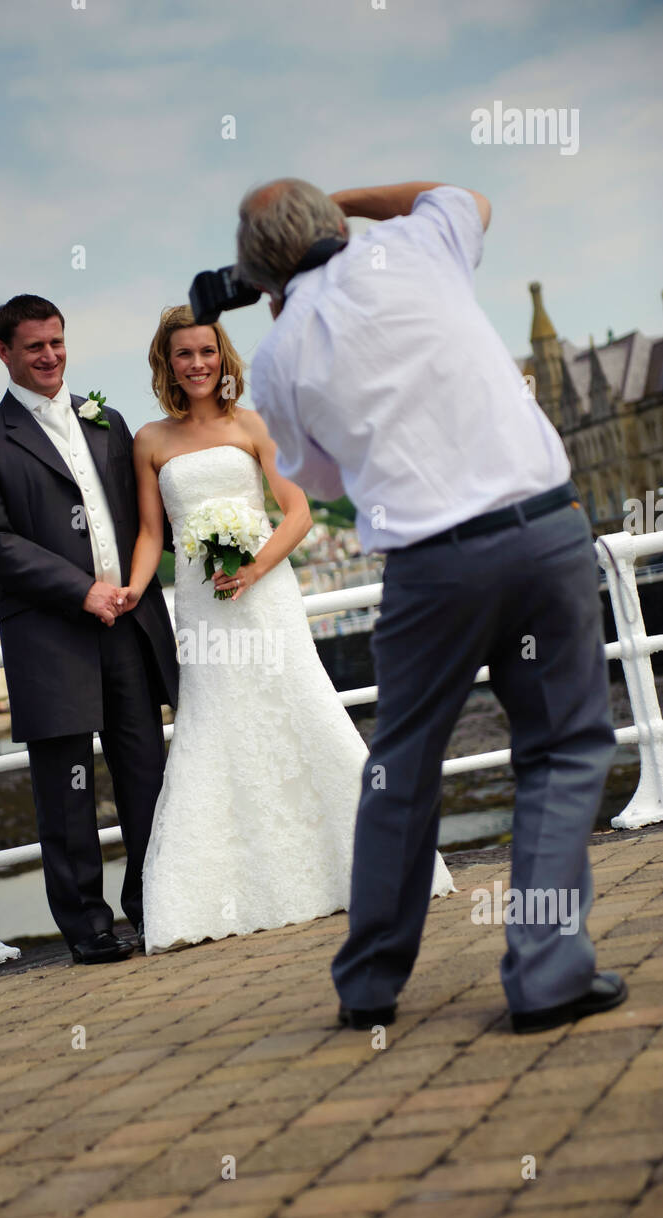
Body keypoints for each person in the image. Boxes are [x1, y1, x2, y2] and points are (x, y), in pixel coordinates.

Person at [237, 177, 625, 1035]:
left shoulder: (278, 351)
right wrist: (344, 200)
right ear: (336, 225)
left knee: (400, 767)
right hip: (542, 528)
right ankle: (546, 971)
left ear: (260, 277)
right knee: (561, 750)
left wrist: (281, 307)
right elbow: (462, 191)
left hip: (430, 565)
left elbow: (323, 478)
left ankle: (370, 981)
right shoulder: (416, 244)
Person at [116, 305, 454, 954]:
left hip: (263, 593)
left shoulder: (254, 424)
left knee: (303, 709)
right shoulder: (151, 442)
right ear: (167, 362)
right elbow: (152, 534)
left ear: (223, 357)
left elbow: (296, 512)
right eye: (183, 354)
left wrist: (253, 567)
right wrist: (132, 589)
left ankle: (374, 868)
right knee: (214, 727)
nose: (197, 364)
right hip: (201, 601)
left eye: (206, 352)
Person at [0, 294, 178, 965]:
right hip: (50, 640)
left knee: (148, 776)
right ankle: (88, 928)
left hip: (131, 628)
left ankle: (154, 902)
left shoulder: (106, 421)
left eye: (56, 342)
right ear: (4, 353)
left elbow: (147, 517)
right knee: (67, 789)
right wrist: (82, 592)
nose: (49, 356)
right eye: (33, 347)